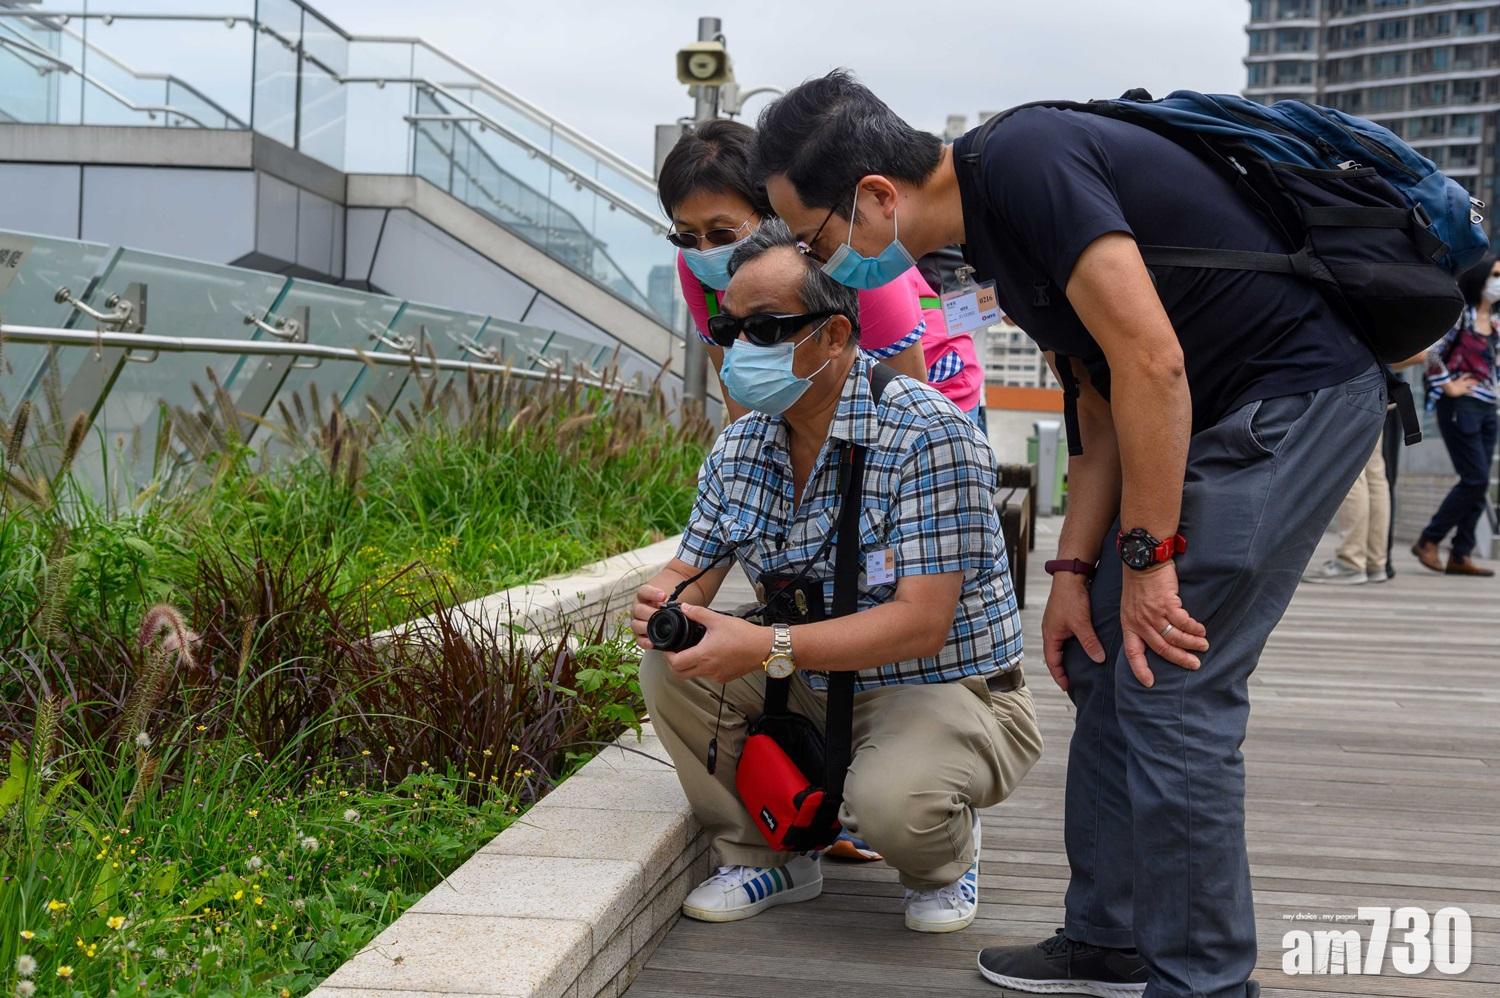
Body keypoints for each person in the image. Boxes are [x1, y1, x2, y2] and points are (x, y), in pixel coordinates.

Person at [754, 71, 1388, 997]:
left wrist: (1150, 558)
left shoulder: (1025, 161)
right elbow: (1095, 399)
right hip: (1199, 422)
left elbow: (1152, 361)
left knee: (1172, 679)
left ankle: (1204, 982)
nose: (822, 263)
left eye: (815, 237)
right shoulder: (996, 236)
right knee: (1101, 652)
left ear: (875, 197)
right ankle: (1110, 940)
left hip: (1285, 406)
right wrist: (1073, 571)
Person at [630, 219, 1042, 934]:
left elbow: (922, 622)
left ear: (836, 335)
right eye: (731, 329)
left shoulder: (926, 431)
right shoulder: (741, 446)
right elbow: (692, 566)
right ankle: (772, 854)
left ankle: (948, 850)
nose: (740, 349)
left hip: (942, 683)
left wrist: (762, 647)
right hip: (818, 682)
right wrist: (668, 601)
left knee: (895, 803)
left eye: (767, 327)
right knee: (672, 671)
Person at [657, 119, 984, 425]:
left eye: (722, 234)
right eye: (685, 236)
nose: (704, 251)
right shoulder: (695, 269)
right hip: (813, 404)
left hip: (930, 391)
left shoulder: (846, 259)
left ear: (773, 213)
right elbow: (738, 394)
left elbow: (909, 404)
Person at [1305, 350, 1427, 586]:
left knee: (1353, 474)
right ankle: (1375, 562)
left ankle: (1351, 560)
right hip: (1377, 386)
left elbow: (1420, 355)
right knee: (1374, 475)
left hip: (1352, 384)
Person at [1411, 255, 1499, 578]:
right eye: (1496, 274)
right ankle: (1429, 540)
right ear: (1480, 279)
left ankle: (1460, 554)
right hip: (1460, 408)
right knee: (1475, 478)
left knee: (1478, 481)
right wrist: (1448, 386)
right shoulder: (1461, 317)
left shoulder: (1496, 324)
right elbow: (1431, 352)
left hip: (1488, 408)